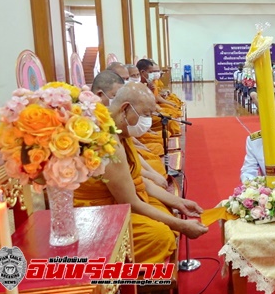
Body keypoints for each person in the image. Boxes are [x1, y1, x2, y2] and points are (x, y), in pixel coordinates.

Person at [74, 83, 209, 263]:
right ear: (125, 109)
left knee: (165, 215)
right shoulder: (107, 143)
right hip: (97, 216)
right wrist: (182, 225)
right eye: (145, 115)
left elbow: (137, 180)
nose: (147, 120)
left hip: (123, 201)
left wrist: (179, 202)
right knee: (160, 237)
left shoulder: (118, 130)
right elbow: (130, 202)